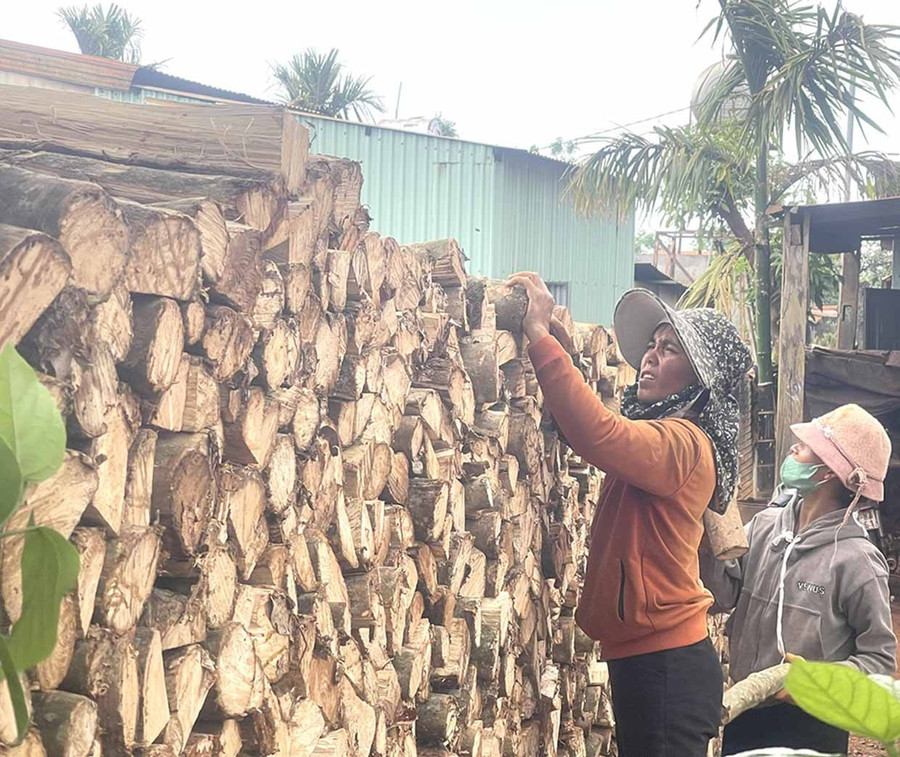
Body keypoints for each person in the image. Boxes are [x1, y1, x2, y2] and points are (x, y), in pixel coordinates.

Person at [508, 272, 753, 757]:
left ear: (701, 380)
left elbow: (600, 435)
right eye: (652, 344)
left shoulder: (683, 443)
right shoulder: (664, 433)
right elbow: (611, 428)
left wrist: (538, 337)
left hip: (666, 665)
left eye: (670, 349)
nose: (650, 356)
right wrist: (569, 358)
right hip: (652, 658)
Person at [701, 403, 897, 756]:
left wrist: (815, 682)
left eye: (805, 447)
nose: (794, 449)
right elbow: (722, 596)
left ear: (828, 472)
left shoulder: (859, 562)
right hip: (744, 707)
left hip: (815, 725)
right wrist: (706, 541)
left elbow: (879, 662)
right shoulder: (764, 527)